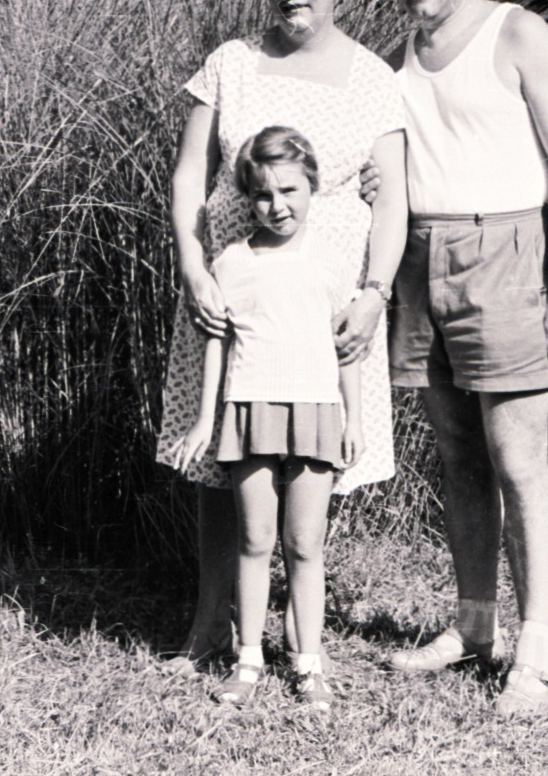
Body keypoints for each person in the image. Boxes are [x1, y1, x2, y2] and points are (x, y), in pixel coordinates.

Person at [155, 0, 408, 676]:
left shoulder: (372, 77)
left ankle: (300, 639)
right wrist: (194, 268)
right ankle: (209, 626)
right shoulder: (229, 63)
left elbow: (393, 196)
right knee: (221, 461)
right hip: (231, 290)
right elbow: (188, 175)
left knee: (307, 463)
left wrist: (374, 293)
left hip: (329, 305)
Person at [381, 0, 548, 717]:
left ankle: (534, 648)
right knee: (458, 459)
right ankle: (474, 626)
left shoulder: (518, 32)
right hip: (420, 260)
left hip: (504, 253)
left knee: (518, 460)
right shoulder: (402, 48)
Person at [166, 127, 361, 708]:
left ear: (313, 187)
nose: (279, 206)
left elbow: (344, 347)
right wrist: (205, 421)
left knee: (305, 544)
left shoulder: (331, 260)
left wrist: (353, 419)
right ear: (247, 199)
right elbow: (217, 348)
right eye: (263, 196)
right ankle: (247, 659)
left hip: (317, 411)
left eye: (291, 191)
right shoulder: (230, 262)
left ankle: (309, 665)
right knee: (254, 539)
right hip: (249, 411)